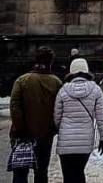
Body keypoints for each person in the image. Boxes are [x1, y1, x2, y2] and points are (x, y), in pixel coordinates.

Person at [8, 47, 62, 183]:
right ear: (51, 62)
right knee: (41, 172)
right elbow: (60, 109)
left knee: (20, 173)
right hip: (45, 135)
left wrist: (20, 128)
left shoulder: (22, 80)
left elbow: (15, 107)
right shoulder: (56, 83)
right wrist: (54, 128)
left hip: (22, 135)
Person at [54, 58, 103, 183]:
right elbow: (101, 117)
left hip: (66, 141)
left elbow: (57, 117)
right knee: (79, 172)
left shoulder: (63, 90)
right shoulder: (96, 90)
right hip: (85, 141)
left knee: (68, 176)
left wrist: (60, 129)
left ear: (71, 71)